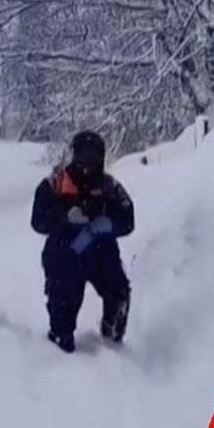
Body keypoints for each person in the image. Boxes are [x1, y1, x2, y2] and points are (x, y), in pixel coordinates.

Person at [30, 130, 135, 353]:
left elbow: (128, 219)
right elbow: (37, 220)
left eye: (94, 157)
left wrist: (108, 223)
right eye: (83, 156)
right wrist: (64, 218)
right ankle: (59, 346)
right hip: (63, 253)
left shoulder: (110, 186)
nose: (88, 163)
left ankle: (113, 343)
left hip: (101, 252)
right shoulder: (56, 183)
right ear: (74, 155)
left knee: (119, 294)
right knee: (63, 304)